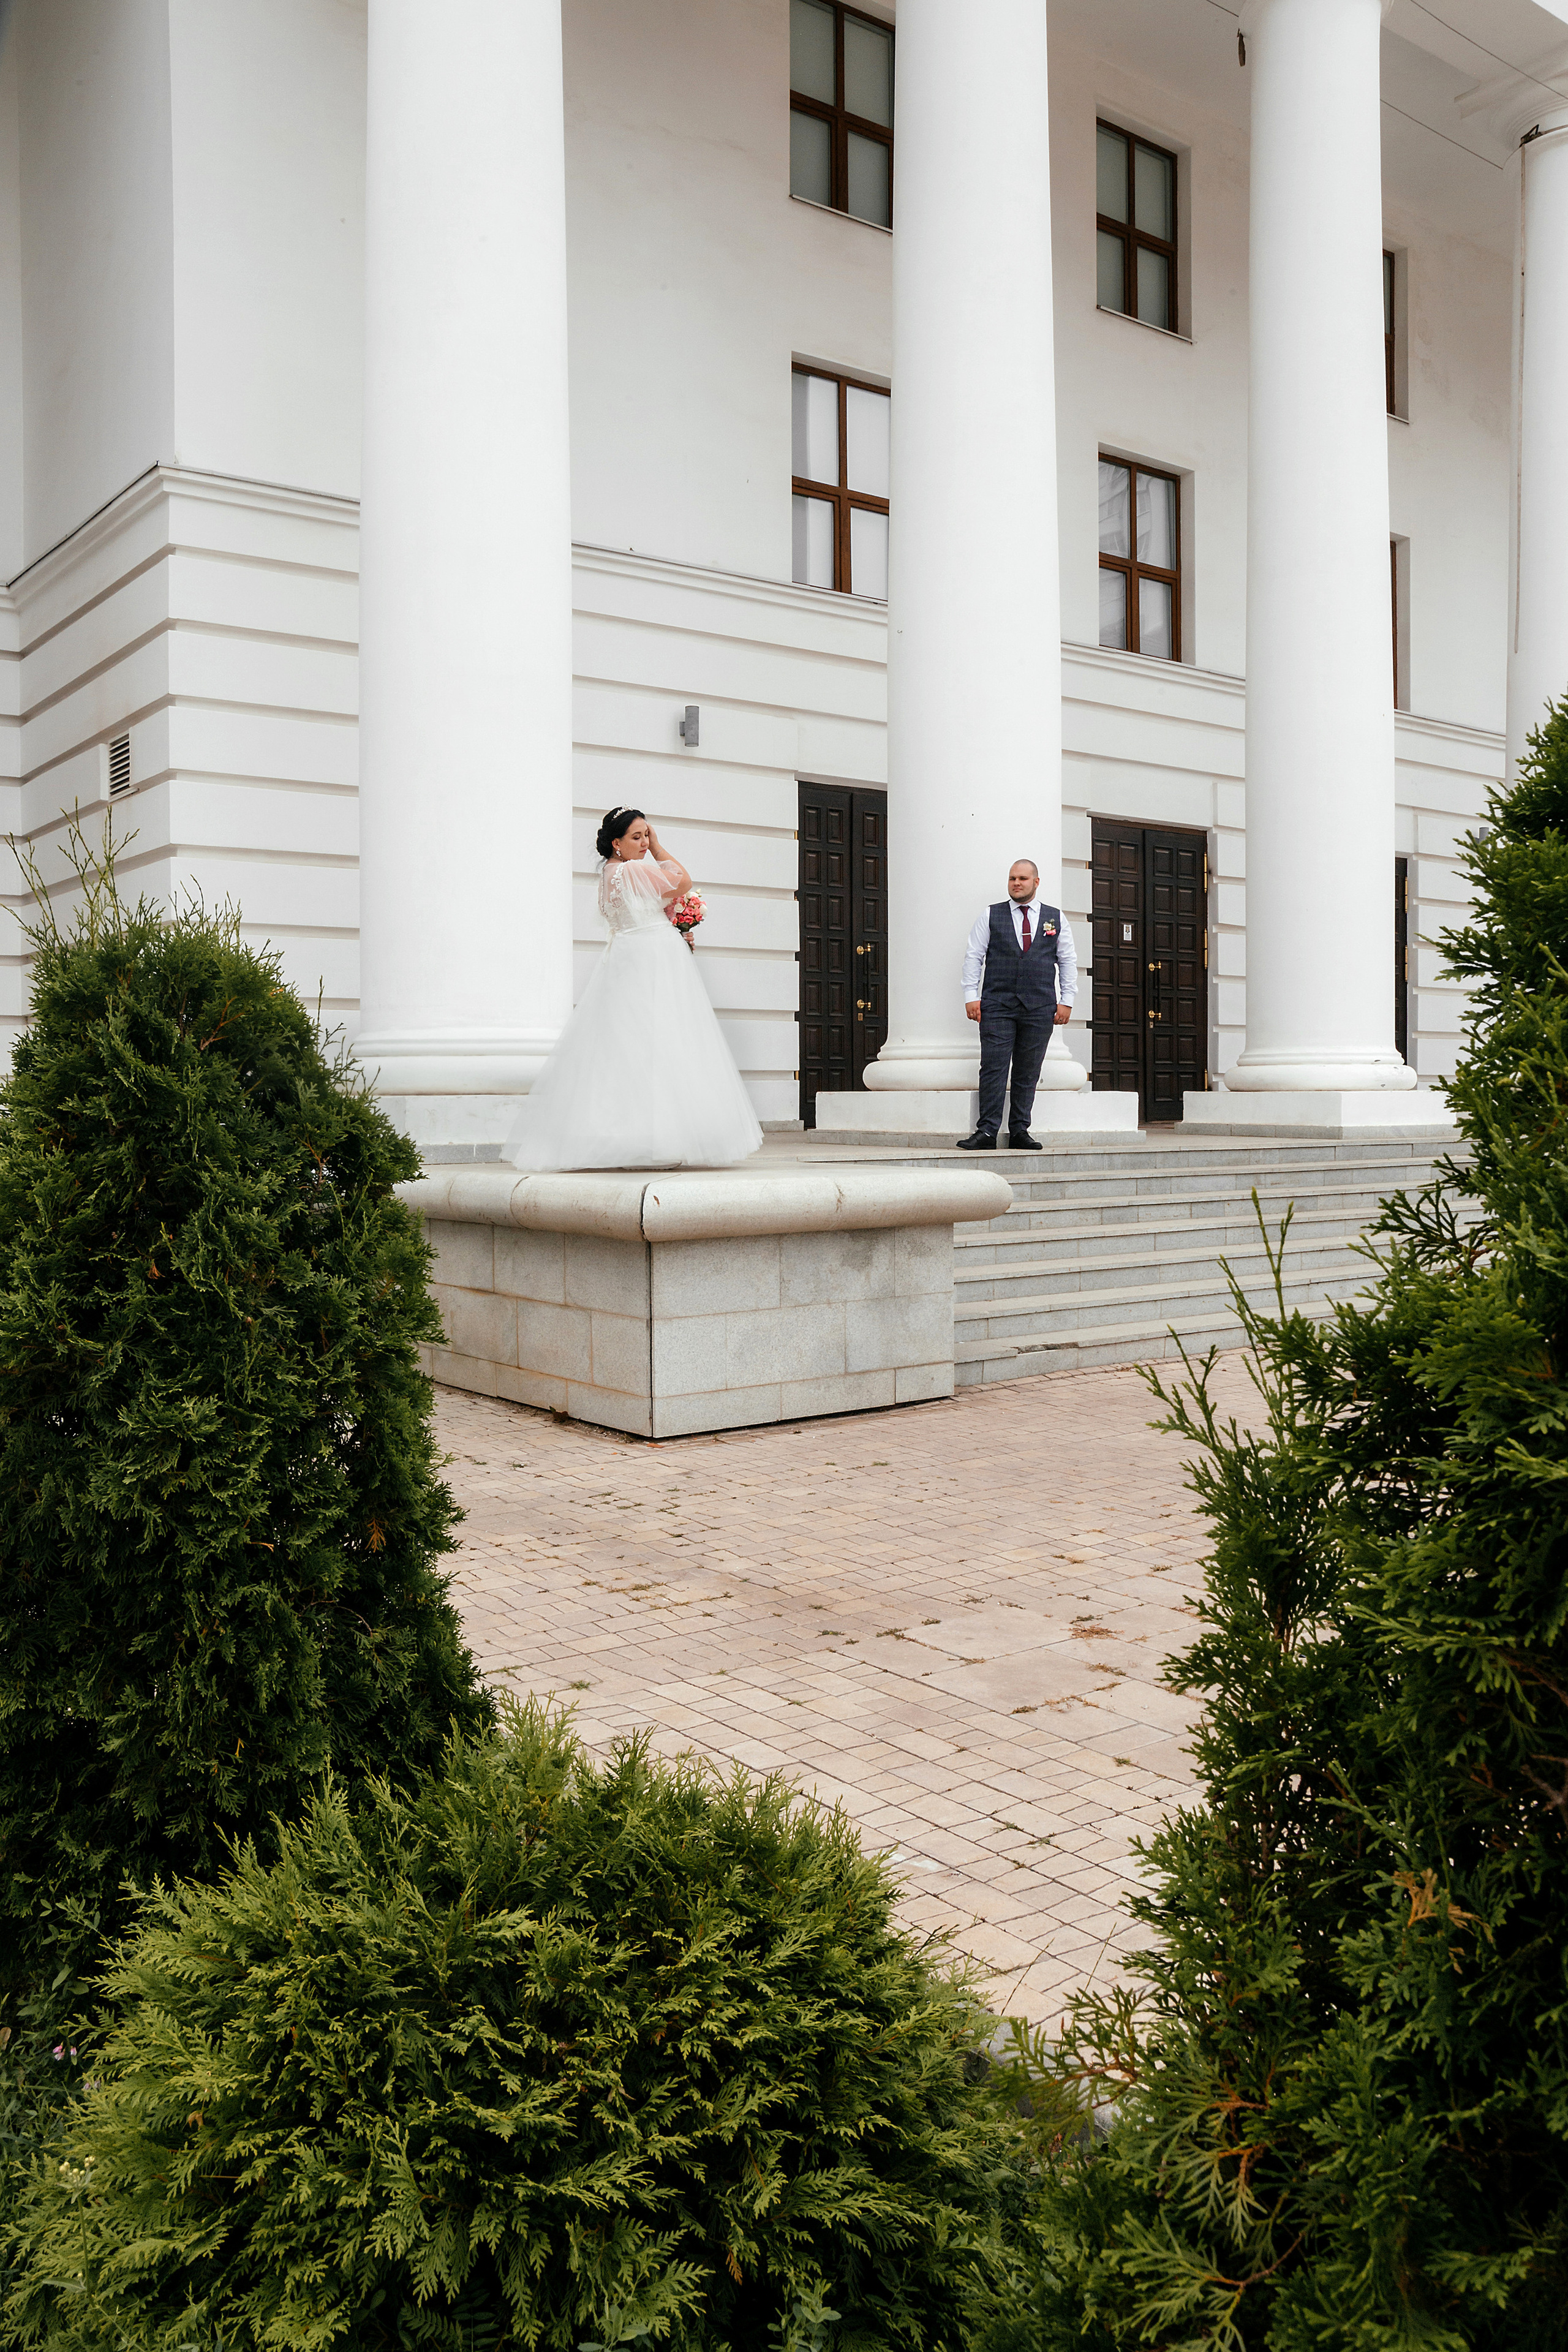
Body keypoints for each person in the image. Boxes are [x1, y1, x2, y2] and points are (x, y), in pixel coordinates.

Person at [502, 807, 763, 1172]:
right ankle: (654, 1141)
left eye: (646, 835)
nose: (643, 842)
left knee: (626, 1044)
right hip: (651, 957)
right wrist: (659, 848)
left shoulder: (609, 874)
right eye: (636, 837)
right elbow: (683, 881)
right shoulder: (634, 868)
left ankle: (629, 1140)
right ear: (616, 843)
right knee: (662, 1041)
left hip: (626, 956)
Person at [955, 859, 1078, 1152]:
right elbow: (974, 956)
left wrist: (1067, 1000)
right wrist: (971, 995)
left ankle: (1020, 1130)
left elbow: (1068, 960)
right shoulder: (991, 915)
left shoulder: (1055, 918)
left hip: (1040, 1005)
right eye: (1012, 878)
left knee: (1028, 1069)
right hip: (997, 1003)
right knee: (993, 1067)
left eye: (1022, 878)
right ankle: (986, 1132)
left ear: (1036, 882)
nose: (1016, 883)